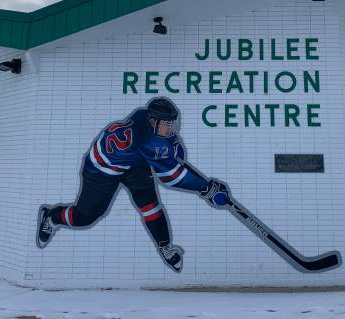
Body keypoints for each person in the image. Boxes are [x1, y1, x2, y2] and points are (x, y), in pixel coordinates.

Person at [35, 97, 230, 272]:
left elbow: (163, 140)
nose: (170, 128)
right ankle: (51, 216)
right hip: (101, 169)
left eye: (171, 124)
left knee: (150, 205)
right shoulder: (148, 142)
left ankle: (165, 246)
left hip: (133, 162)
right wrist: (206, 188)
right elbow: (173, 177)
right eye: (167, 124)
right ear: (153, 122)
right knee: (86, 217)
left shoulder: (144, 115)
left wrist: (173, 144)